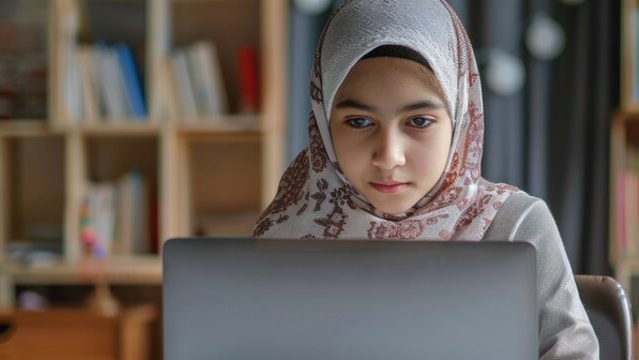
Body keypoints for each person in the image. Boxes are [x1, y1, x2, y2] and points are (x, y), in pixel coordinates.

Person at [253, 0, 599, 358]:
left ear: (459, 119)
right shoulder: (286, 233)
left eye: (418, 121)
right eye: (359, 121)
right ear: (324, 124)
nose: (389, 156)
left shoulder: (513, 226)